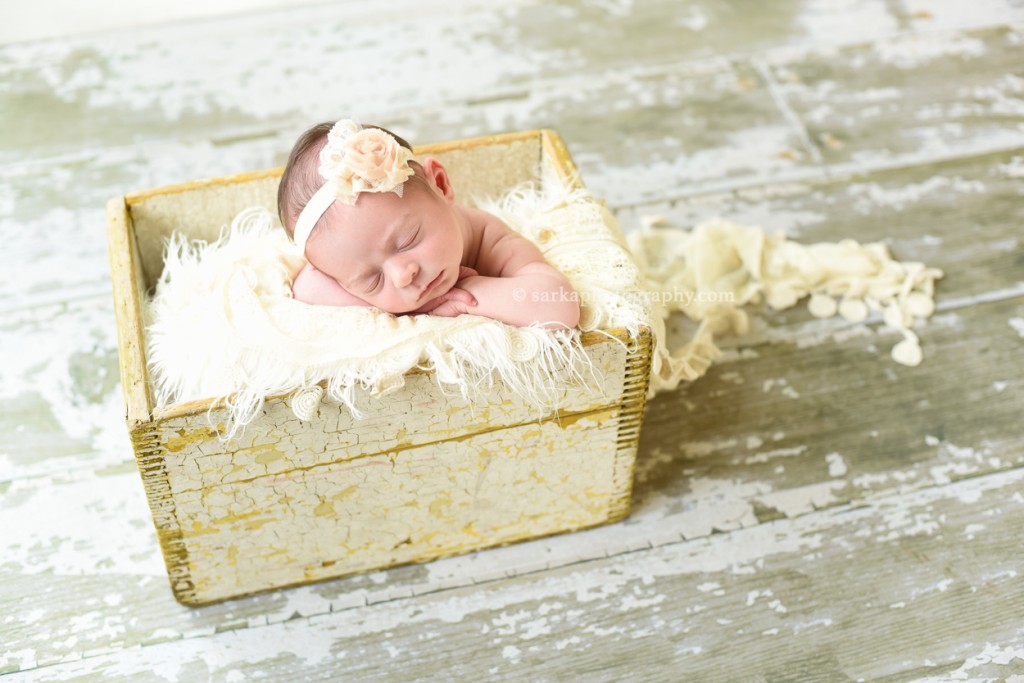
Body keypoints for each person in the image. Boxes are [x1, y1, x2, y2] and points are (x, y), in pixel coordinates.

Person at [276, 119, 580, 329]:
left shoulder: (492, 238)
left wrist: (467, 293)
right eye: (371, 280)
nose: (402, 277)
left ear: (441, 184)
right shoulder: (349, 263)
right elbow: (306, 290)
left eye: (407, 240)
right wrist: (414, 307)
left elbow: (559, 303)